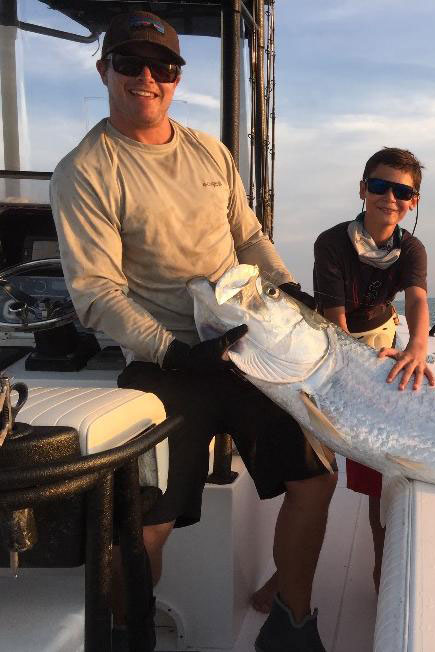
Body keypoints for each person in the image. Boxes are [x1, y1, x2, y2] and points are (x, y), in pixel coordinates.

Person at [49, 12, 333, 652]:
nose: (148, 77)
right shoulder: (85, 170)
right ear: (105, 70)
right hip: (166, 365)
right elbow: (96, 294)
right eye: (130, 63)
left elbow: (248, 238)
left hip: (247, 349)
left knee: (315, 480)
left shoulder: (211, 150)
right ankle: (133, 634)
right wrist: (177, 350)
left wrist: (286, 289)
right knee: (145, 523)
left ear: (177, 78)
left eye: (164, 67)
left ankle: (291, 624)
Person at [317, 147, 435, 588]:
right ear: (364, 189)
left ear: (413, 202)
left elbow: (417, 299)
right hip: (337, 347)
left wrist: (417, 347)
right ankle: (289, 570)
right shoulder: (331, 242)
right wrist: (350, 373)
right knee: (314, 470)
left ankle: (381, 565)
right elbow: (334, 317)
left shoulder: (412, 248)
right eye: (381, 186)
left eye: (402, 191)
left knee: (376, 471)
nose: (391, 198)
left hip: (384, 343)